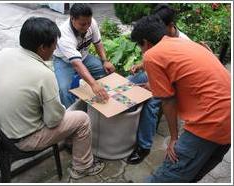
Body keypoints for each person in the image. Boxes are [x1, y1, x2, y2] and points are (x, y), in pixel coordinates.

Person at [0, 17, 105, 180]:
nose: (55, 49)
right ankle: (83, 167)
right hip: (21, 140)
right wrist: (63, 110)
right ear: (42, 47)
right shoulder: (44, 74)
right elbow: (53, 121)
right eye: (54, 45)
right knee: (82, 119)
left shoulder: (3, 53)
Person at [131, 15, 231, 183]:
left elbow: (168, 101)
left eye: (140, 46)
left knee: (168, 175)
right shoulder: (183, 43)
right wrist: (153, 87)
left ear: (145, 42)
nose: (142, 52)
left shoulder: (151, 55)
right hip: (228, 120)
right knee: (191, 174)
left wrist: (174, 138)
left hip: (213, 121)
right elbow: (186, 81)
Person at [126, 3, 191, 165]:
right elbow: (153, 55)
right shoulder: (162, 39)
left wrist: (153, 87)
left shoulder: (184, 42)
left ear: (170, 26)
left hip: (174, 83)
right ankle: (126, 119)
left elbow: (170, 90)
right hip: (157, 74)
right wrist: (140, 66)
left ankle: (144, 146)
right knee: (130, 81)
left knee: (151, 103)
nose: (158, 31)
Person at [53, 3, 115, 108]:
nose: (86, 27)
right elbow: (77, 64)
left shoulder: (92, 23)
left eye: (88, 23)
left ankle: (103, 100)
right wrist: (93, 84)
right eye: (82, 24)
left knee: (104, 70)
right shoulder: (64, 34)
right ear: (72, 19)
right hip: (64, 61)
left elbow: (98, 43)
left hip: (84, 57)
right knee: (64, 89)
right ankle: (74, 114)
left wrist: (105, 61)